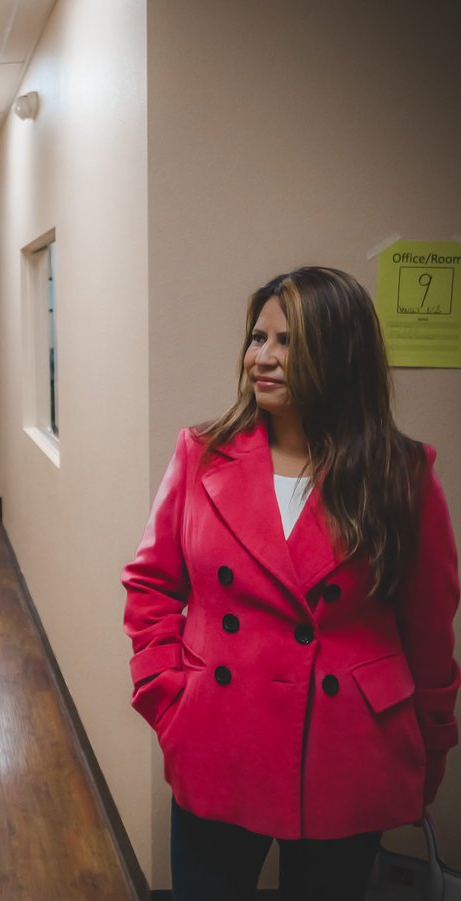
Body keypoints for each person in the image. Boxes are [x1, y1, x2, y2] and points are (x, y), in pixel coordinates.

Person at [123, 267, 459, 900]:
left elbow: (430, 632)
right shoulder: (201, 452)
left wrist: (431, 743)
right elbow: (151, 585)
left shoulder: (401, 474)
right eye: (258, 338)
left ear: (339, 354)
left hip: (350, 748)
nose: (263, 359)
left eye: (287, 343)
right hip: (218, 736)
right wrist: (167, 696)